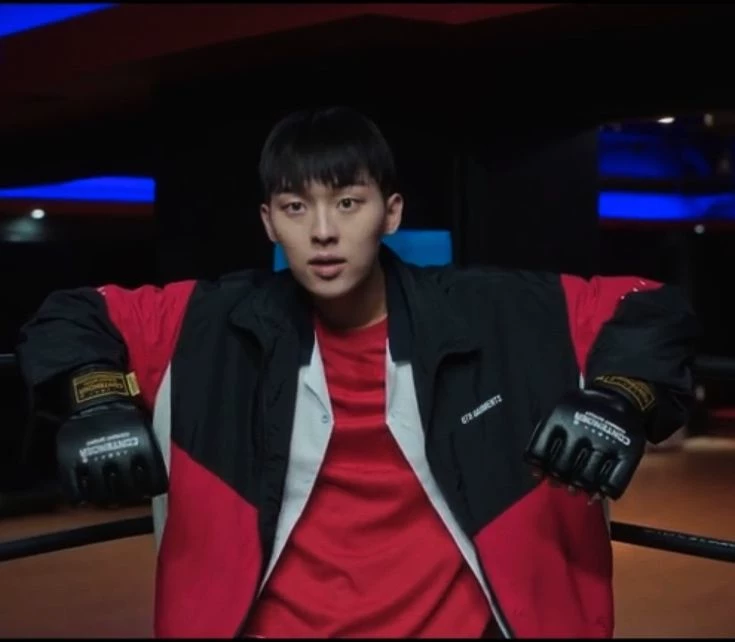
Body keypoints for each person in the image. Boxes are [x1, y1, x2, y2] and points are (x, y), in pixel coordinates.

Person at [15, 106, 697, 639]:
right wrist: (97, 396)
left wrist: (619, 394)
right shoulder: (207, 320)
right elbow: (72, 315)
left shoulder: (494, 311)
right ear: (269, 222)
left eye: (347, 202)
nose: (322, 231)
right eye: (295, 207)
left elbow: (651, 308)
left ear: (389, 212)